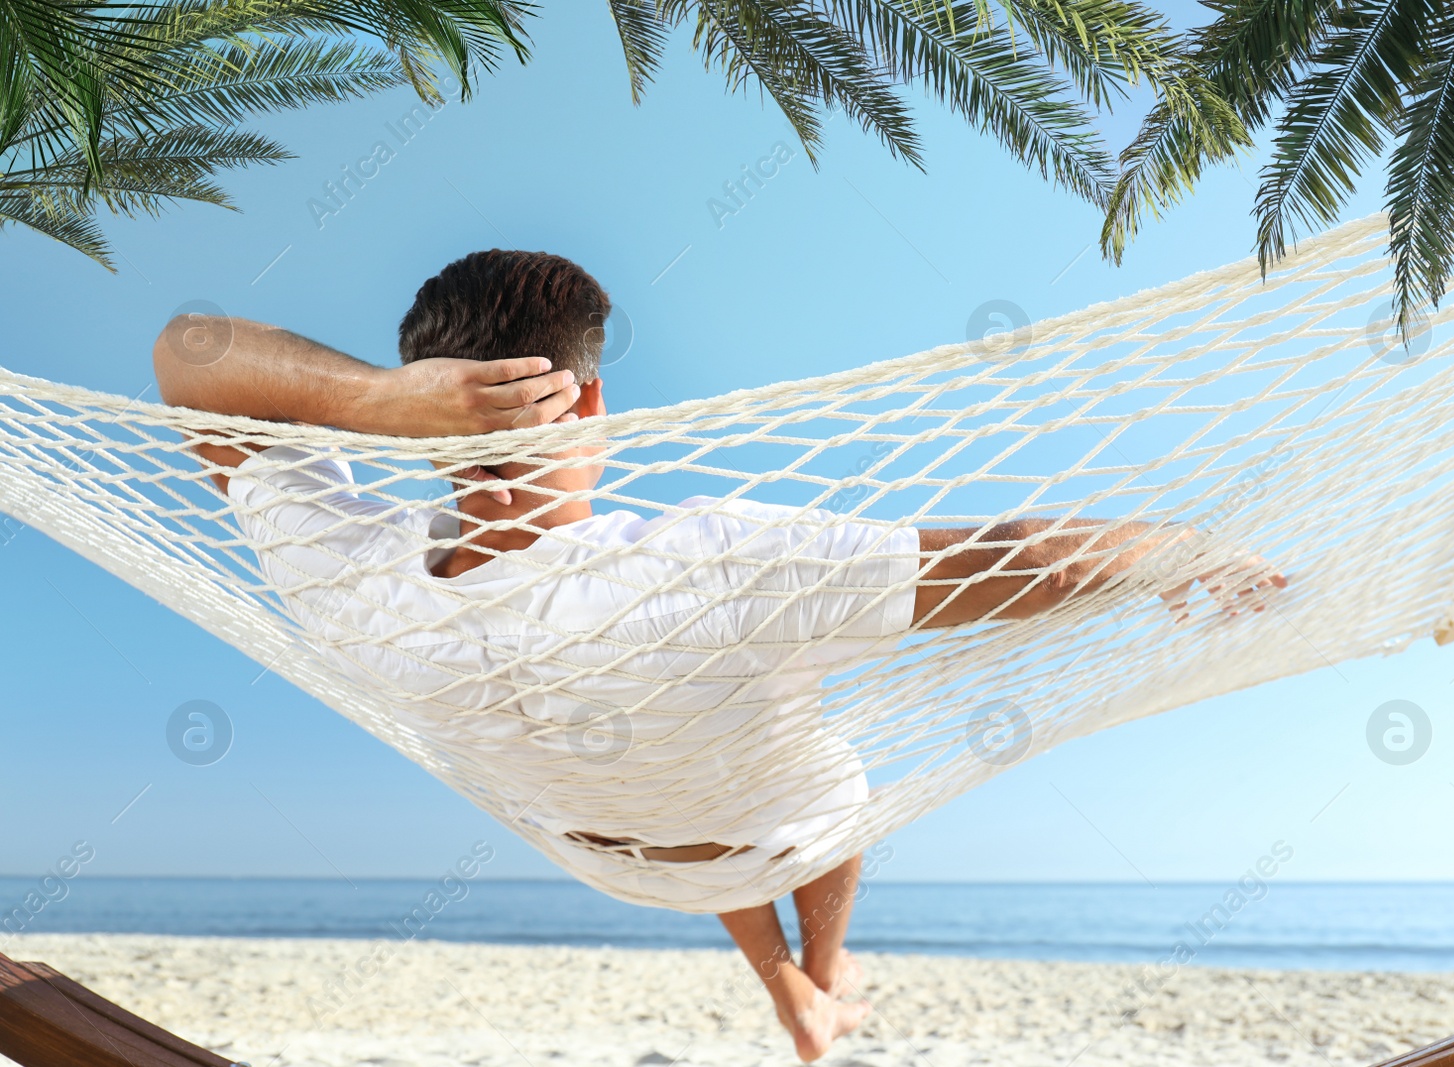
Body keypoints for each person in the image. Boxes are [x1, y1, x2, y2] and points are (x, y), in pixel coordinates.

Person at [153, 250, 1285, 1062]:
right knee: (817, 768)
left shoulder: (353, 581)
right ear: (591, 396)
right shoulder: (715, 563)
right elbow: (1031, 557)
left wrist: (373, 403)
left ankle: (790, 992)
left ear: (427, 402)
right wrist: (1184, 549)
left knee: (672, 749)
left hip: (601, 853)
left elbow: (188, 349)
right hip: (770, 825)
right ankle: (827, 970)